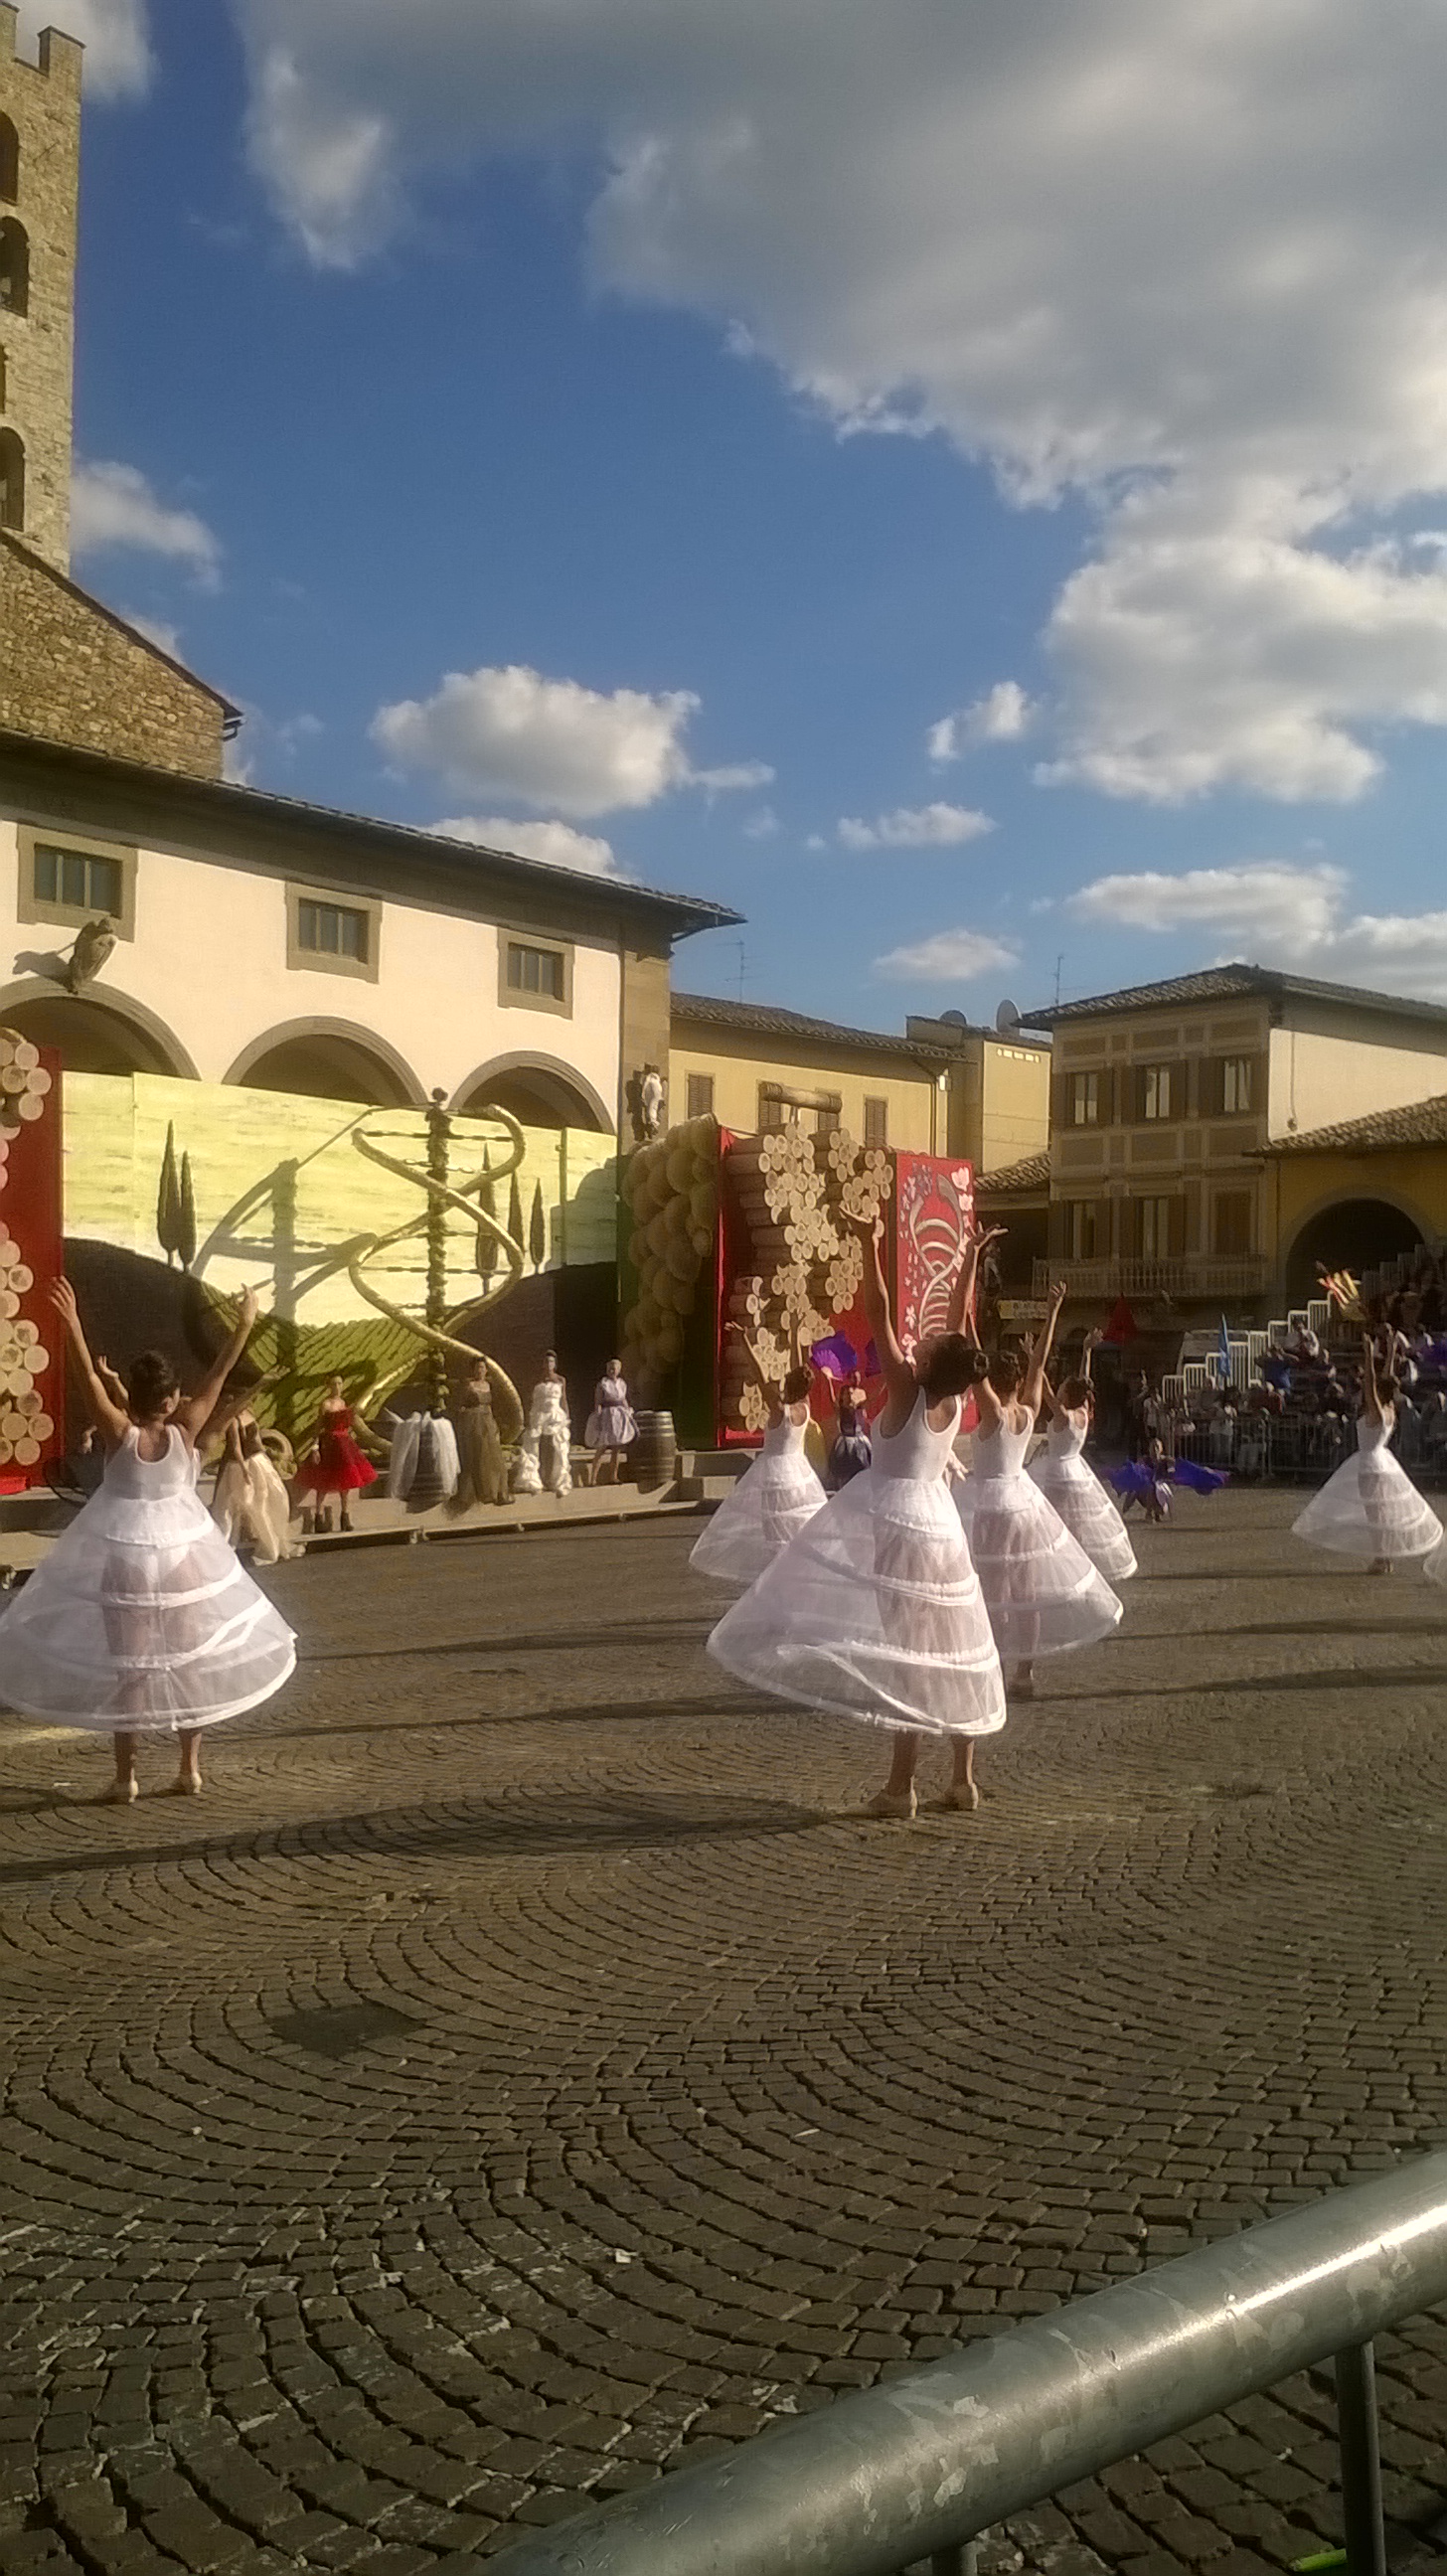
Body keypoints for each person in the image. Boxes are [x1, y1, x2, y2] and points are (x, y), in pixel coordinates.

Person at [708, 1218, 1006, 1822]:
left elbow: (878, 1309)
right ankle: (963, 1779)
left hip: (900, 1522)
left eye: (922, 1346)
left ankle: (901, 1788)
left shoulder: (907, 1387)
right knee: (951, 1646)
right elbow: (958, 1323)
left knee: (909, 1655)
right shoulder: (957, 1397)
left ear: (928, 1362)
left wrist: (870, 1246)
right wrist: (969, 1256)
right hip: (939, 1525)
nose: (915, 1342)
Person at [0, 1281, 295, 1801]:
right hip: (184, 1552)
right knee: (189, 1662)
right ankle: (189, 1767)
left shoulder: (119, 1432)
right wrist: (246, 1320)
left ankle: (125, 1776)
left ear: (134, 1400)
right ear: (170, 1399)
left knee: (129, 1667)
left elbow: (87, 1376)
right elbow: (219, 1372)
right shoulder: (187, 1430)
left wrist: (71, 1323)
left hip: (126, 1554)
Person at [954, 1282, 1123, 1700]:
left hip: (992, 1502)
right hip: (1023, 1500)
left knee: (991, 1586)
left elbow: (978, 1355)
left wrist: (967, 1316)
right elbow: (1040, 1365)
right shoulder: (1028, 1409)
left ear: (990, 1380)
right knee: (1026, 1586)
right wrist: (1052, 1311)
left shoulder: (992, 1411)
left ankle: (992, 1661)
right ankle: (1024, 1671)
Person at [1294, 1333, 1443, 1574]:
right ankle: (1384, 1558)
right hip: (1383, 1460)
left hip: (1370, 1462)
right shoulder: (1390, 1409)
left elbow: (1372, 1383)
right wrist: (1392, 1352)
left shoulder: (1377, 1409)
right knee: (1382, 1513)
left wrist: (1367, 1353)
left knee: (1376, 1515)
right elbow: (1385, 1380)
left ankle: (1381, 1558)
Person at [690, 1338, 826, 1584]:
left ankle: (780, 1574)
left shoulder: (778, 1409)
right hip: (799, 1473)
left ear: (787, 1383)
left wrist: (744, 1342)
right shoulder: (804, 1408)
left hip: (776, 1471)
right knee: (796, 1525)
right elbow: (799, 1367)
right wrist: (795, 1337)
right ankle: (796, 1571)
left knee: (774, 1529)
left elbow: (760, 1375)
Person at [1029, 1328, 1137, 1584]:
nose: (1060, 1388)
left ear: (1066, 1394)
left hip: (1055, 1473)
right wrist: (1086, 1351)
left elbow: (1043, 1387)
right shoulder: (1084, 1410)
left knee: (1051, 1522)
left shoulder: (1064, 1416)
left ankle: (1059, 1565)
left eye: (1063, 1387)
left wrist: (1035, 1358)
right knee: (1075, 1525)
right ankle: (1075, 1562)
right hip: (1076, 1469)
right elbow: (1083, 1380)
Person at [295, 1373, 378, 1534]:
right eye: (334, 1384)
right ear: (329, 1386)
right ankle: (318, 1516)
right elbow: (318, 1428)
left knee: (346, 1482)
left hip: (344, 1444)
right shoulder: (325, 1404)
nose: (337, 1387)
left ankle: (345, 1516)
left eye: (339, 1384)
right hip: (330, 1444)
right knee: (324, 1482)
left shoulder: (342, 1403)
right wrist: (315, 1447)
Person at [212, 1413, 299, 1565]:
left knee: (269, 1500)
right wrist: (244, 1470)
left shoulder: (248, 1415)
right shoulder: (233, 1420)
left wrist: (265, 1459)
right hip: (242, 1465)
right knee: (238, 1504)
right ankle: (227, 1543)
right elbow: (235, 1447)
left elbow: (257, 1440)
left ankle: (272, 1544)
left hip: (258, 1461)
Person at [451, 1357, 508, 1510]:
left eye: (482, 1367)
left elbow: (490, 1406)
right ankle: (473, 1492)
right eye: (477, 1368)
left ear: (486, 1370)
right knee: (477, 1456)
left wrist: (494, 1423)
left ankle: (494, 1492)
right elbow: (460, 1405)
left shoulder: (489, 1385)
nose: (480, 1370)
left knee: (492, 1457)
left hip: (487, 1422)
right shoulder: (469, 1385)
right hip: (473, 1423)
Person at [513, 1353, 571, 1496]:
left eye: (551, 1362)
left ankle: (556, 1481)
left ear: (555, 1364)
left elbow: (563, 1398)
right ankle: (534, 1480)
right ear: (543, 1364)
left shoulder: (560, 1380)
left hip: (555, 1415)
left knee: (558, 1447)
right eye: (546, 1362)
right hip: (539, 1414)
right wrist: (528, 1417)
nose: (549, 1364)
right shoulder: (536, 1380)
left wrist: (567, 1416)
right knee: (533, 1446)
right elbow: (530, 1399)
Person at [585, 1361, 637, 1486]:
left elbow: (623, 1399)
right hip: (607, 1416)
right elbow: (598, 1401)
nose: (612, 1371)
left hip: (619, 1416)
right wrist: (597, 1415)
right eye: (610, 1368)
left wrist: (628, 1411)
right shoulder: (603, 1384)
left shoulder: (622, 1383)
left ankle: (613, 1476)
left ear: (619, 1370)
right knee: (602, 1448)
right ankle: (593, 1478)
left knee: (616, 1449)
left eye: (614, 1369)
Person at [828, 1369, 874, 1490]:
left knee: (861, 1465)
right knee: (844, 1468)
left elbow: (867, 1404)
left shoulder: (857, 1406)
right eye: (846, 1394)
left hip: (858, 1440)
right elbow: (832, 1400)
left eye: (850, 1394)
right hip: (845, 1441)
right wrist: (828, 1382)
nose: (848, 1396)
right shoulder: (840, 1409)